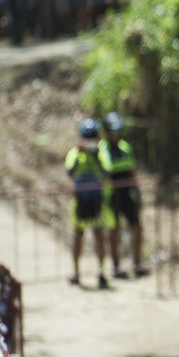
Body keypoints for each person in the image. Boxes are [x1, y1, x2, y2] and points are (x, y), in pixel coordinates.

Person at [98, 111, 147, 278]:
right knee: (114, 230)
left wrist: (137, 189)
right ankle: (116, 265)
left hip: (127, 193)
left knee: (137, 227)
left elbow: (132, 170)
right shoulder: (101, 149)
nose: (117, 134)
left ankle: (136, 262)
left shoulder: (125, 147)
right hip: (111, 196)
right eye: (114, 131)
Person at [66, 118, 113, 288]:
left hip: (96, 202)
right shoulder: (74, 152)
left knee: (99, 236)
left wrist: (96, 157)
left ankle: (101, 272)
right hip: (79, 202)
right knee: (78, 236)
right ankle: (75, 272)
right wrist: (80, 155)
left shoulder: (102, 153)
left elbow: (107, 173)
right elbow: (70, 173)